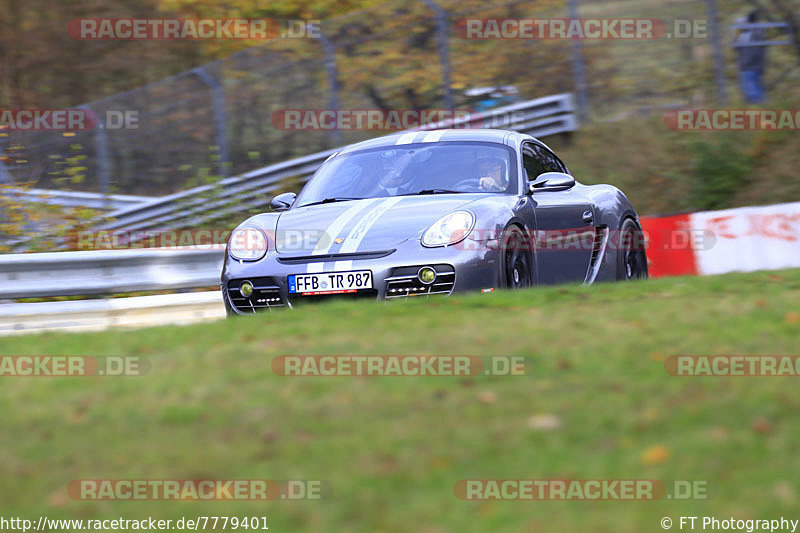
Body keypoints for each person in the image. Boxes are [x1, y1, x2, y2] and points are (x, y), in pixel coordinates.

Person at [735, 11, 768, 104]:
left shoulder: (756, 32)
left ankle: (758, 107)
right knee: (753, 88)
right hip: (749, 66)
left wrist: (747, 62)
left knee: (753, 90)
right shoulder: (744, 34)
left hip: (750, 66)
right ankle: (759, 105)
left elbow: (756, 51)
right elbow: (737, 47)